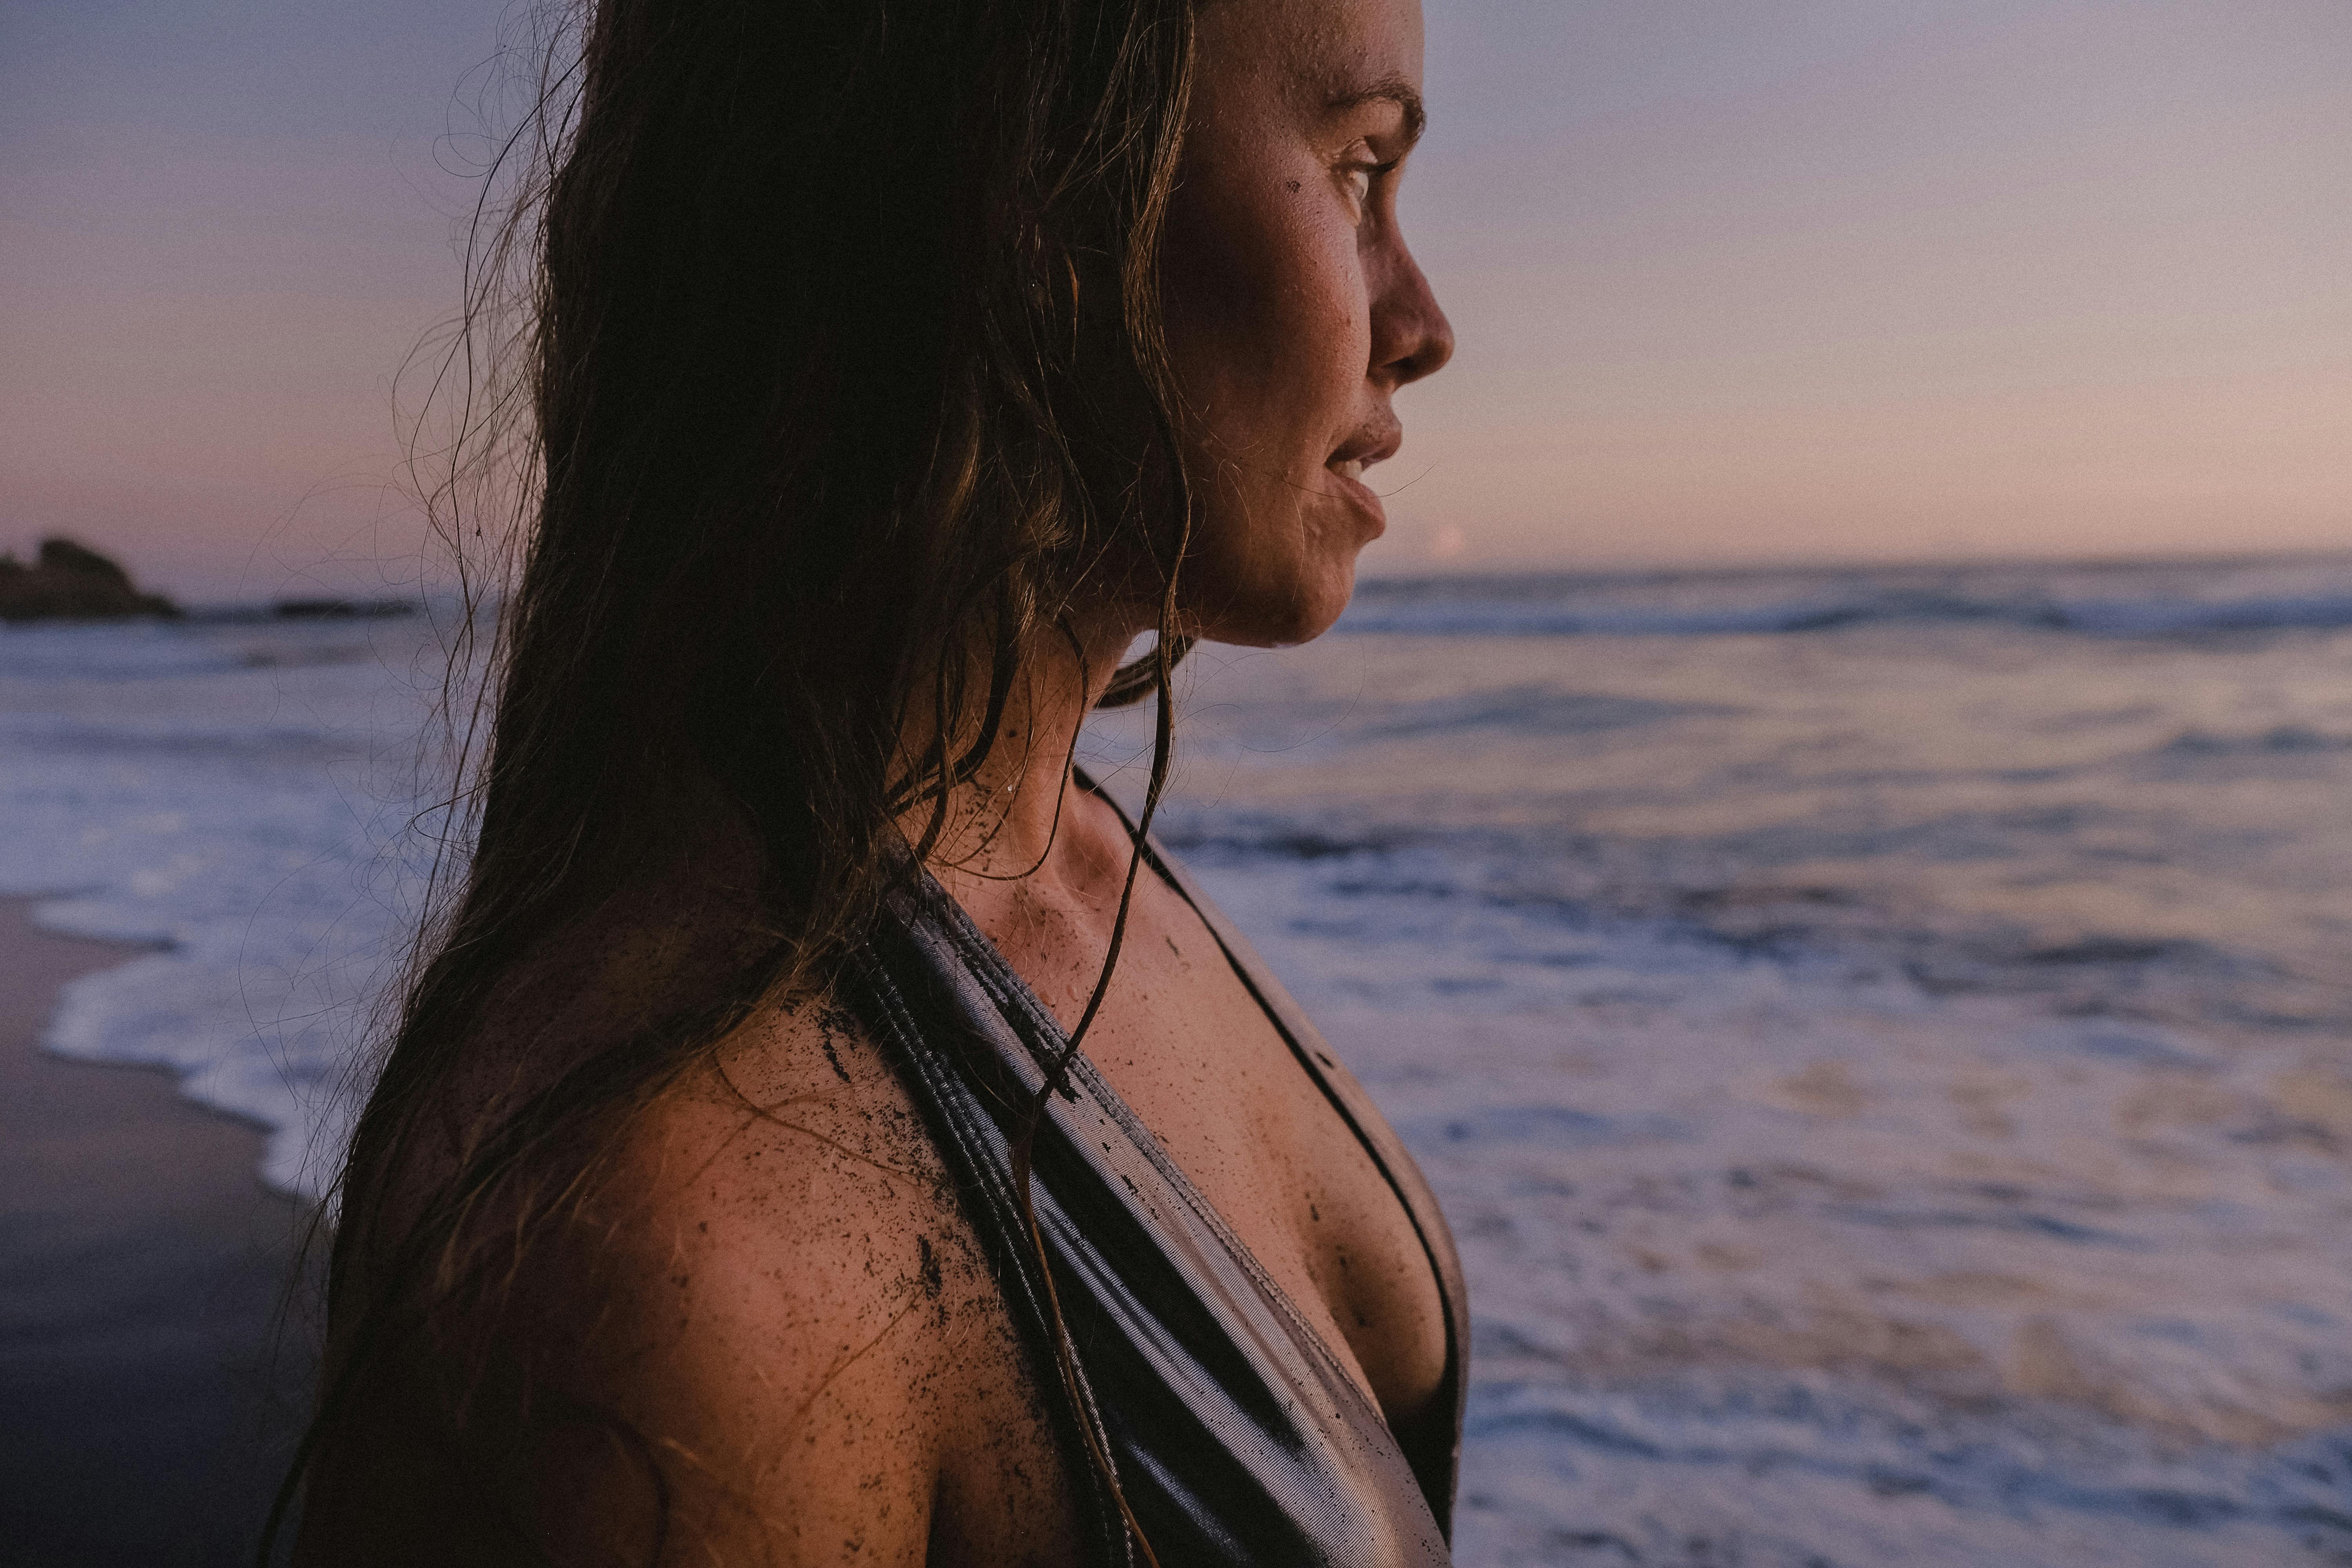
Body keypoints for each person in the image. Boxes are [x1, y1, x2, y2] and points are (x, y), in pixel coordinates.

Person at [283, 0, 1457, 1561]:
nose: (1425, 318)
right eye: (1360, 167)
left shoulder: (1068, 857)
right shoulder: (692, 1253)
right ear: (1032, 189)